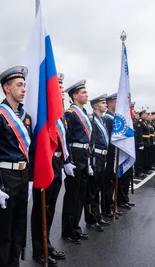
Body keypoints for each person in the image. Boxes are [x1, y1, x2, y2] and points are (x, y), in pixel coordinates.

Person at [0, 66, 34, 267]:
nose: (24, 89)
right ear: (6, 88)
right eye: (19, 85)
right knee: (4, 229)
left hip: (23, 175)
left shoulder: (26, 116)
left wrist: (30, 178)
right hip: (6, 175)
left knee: (19, 225)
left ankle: (13, 263)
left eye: (24, 85)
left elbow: (29, 151)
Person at [31, 73, 67, 266]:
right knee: (41, 209)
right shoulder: (43, 114)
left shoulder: (60, 115)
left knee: (51, 208)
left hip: (58, 164)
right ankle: (39, 248)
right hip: (46, 165)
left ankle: (47, 243)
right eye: (58, 88)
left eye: (62, 88)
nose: (61, 91)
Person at [61, 80, 93, 244]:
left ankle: (76, 227)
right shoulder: (70, 114)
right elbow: (66, 139)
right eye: (83, 93)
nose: (87, 95)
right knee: (72, 195)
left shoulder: (85, 113)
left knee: (81, 195)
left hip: (85, 154)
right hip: (75, 154)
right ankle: (67, 230)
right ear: (75, 96)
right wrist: (67, 160)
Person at [85, 94, 111, 232]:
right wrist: (89, 161)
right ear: (95, 106)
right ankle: (91, 219)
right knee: (92, 190)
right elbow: (90, 141)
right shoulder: (92, 120)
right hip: (95, 157)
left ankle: (98, 215)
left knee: (99, 187)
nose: (105, 105)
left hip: (103, 157)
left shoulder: (102, 120)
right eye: (102, 103)